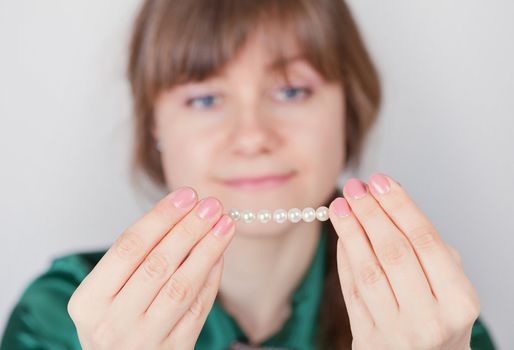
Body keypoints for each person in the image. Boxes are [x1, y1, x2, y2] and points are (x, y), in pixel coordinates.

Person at [1, 0, 497, 349]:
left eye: (291, 92)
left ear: (348, 109)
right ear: (156, 126)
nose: (252, 135)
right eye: (205, 99)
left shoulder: (438, 322)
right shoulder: (60, 318)